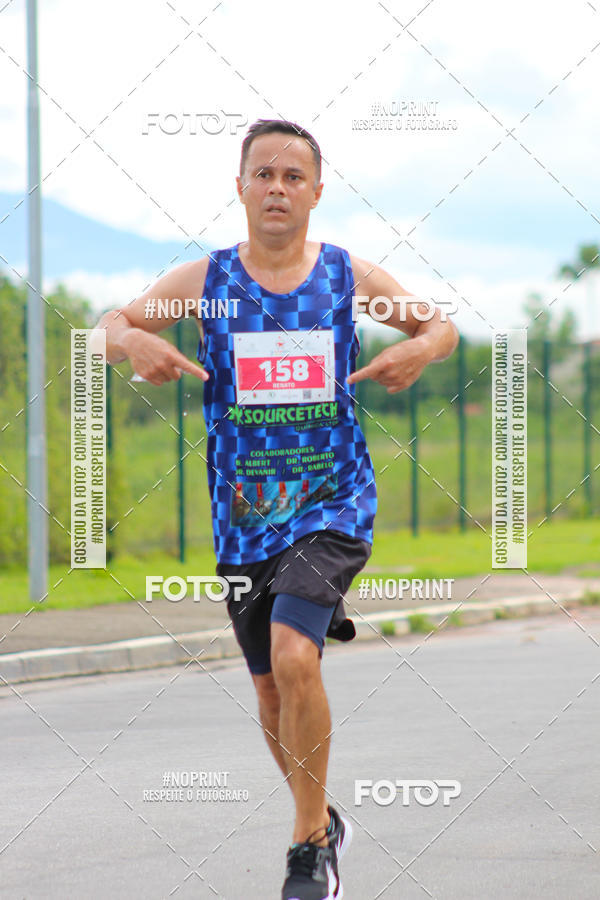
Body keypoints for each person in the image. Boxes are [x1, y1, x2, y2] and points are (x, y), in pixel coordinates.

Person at [99, 118, 458, 900]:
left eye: (294, 177)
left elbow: (442, 324)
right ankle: (321, 821)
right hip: (242, 517)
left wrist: (416, 350)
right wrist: (132, 345)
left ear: (317, 193)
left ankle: (305, 850)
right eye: (263, 174)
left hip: (332, 503)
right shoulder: (204, 282)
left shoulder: (346, 275)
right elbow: (107, 324)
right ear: (240, 187)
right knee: (268, 688)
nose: (277, 188)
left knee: (298, 656)